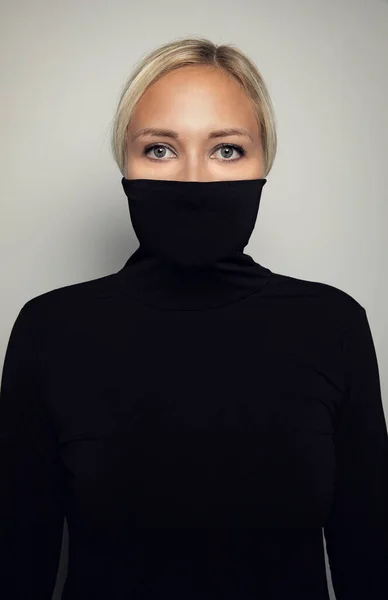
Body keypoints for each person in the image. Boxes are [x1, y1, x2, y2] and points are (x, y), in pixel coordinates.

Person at [0, 36, 387, 600]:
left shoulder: (335, 328)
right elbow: (17, 566)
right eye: (159, 149)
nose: (193, 179)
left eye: (226, 149)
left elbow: (369, 562)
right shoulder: (49, 331)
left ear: (264, 162)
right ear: (124, 164)